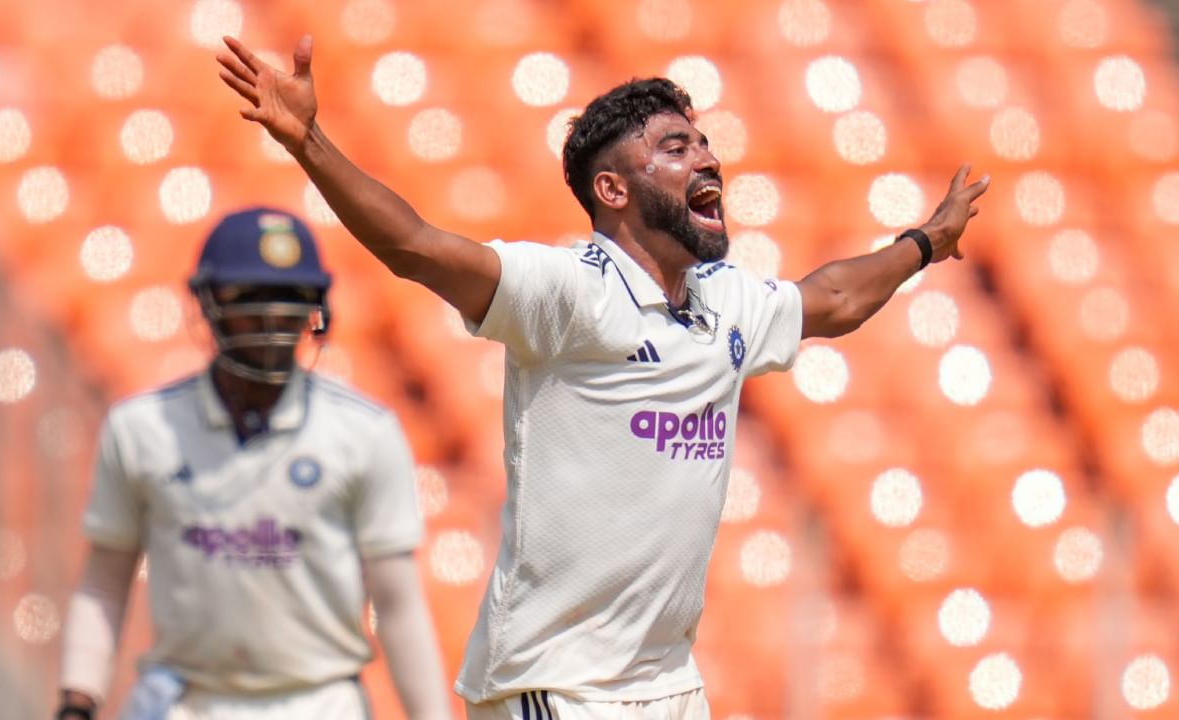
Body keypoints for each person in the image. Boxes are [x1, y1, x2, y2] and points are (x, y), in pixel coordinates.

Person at [216, 34, 989, 720]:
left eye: (705, 143)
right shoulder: (570, 294)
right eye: (677, 148)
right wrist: (310, 141)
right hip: (559, 684)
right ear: (613, 191)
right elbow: (416, 246)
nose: (709, 159)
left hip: (669, 684)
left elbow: (836, 298)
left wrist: (926, 241)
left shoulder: (726, 301)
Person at [54, 207, 452, 720]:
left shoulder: (364, 433)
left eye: (289, 300)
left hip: (318, 703)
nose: (271, 323)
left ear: (315, 310)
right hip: (185, 701)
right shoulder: (142, 429)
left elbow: (398, 605)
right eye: (250, 298)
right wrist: (78, 700)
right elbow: (105, 581)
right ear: (208, 304)